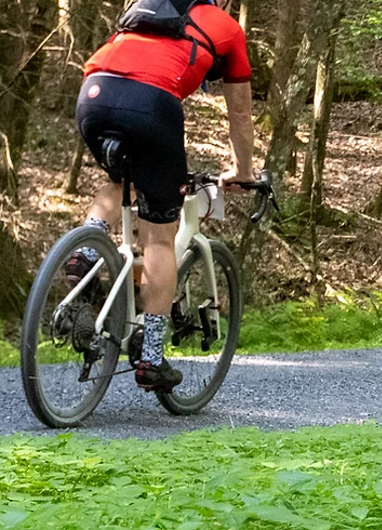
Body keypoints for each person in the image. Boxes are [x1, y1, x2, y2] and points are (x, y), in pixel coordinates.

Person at [66, 0, 255, 392]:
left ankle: (85, 251)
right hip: (152, 104)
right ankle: (151, 356)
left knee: (120, 180)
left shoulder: (145, 8)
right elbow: (239, 115)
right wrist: (243, 172)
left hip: (94, 92)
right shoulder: (226, 27)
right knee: (158, 234)